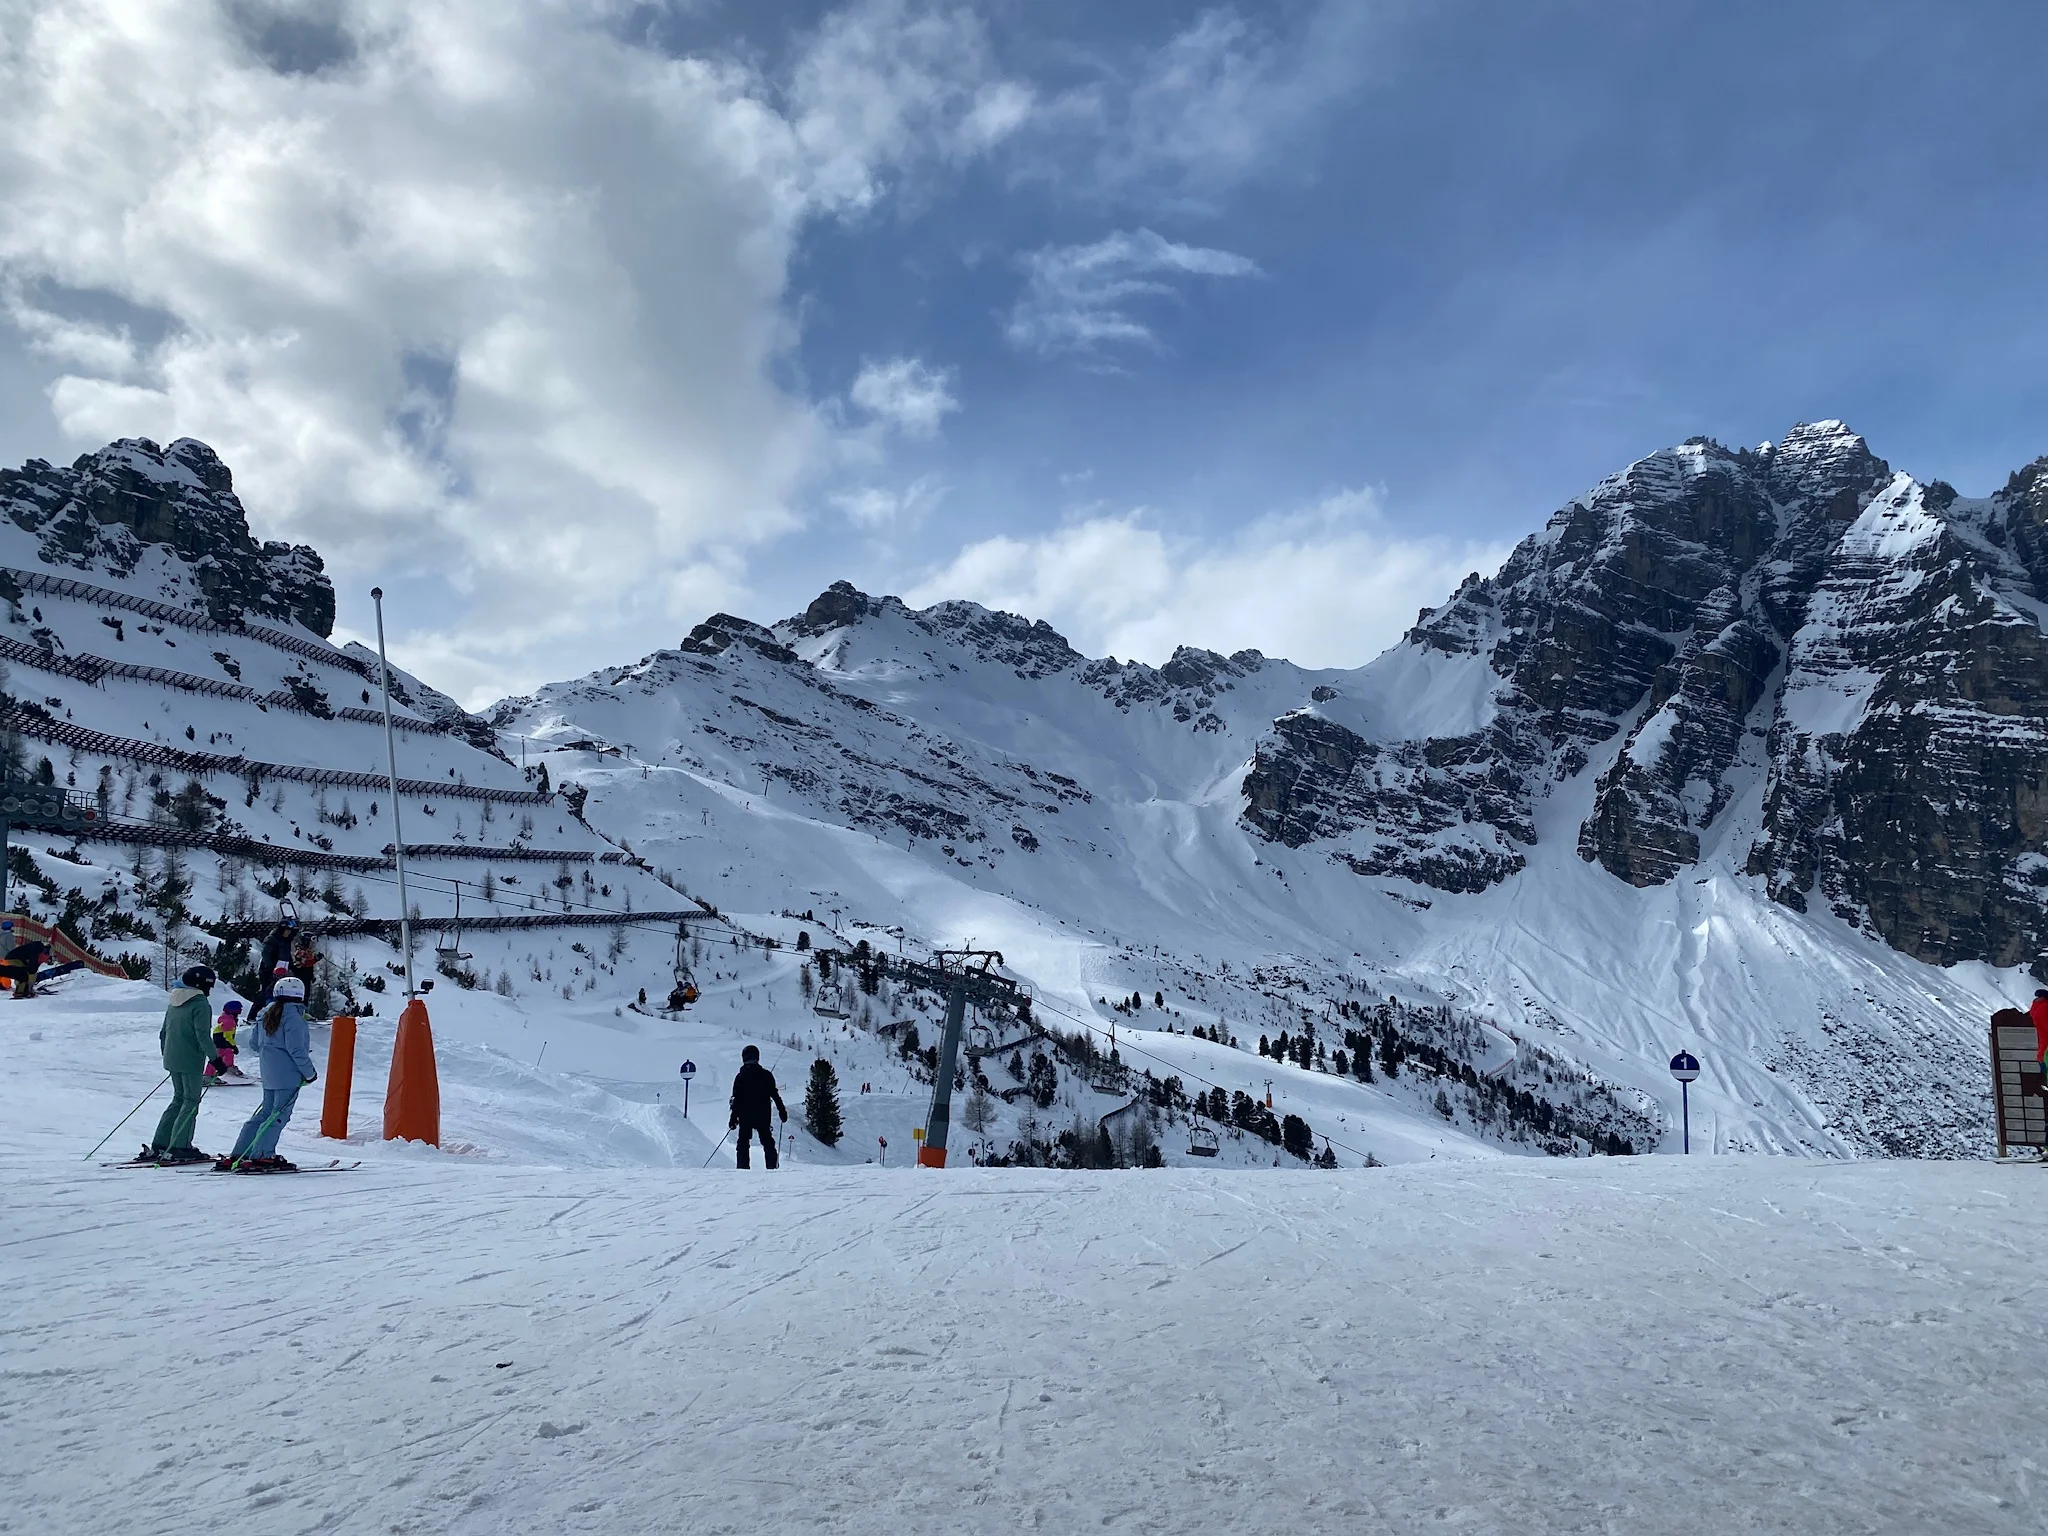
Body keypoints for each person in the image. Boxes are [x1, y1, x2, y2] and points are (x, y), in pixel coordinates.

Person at [220, 977, 317, 1172]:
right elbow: (297, 1050)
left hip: (269, 1073)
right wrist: (309, 1073)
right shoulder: (294, 1019)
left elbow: (255, 1044)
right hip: (288, 1074)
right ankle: (263, 1154)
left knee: (266, 1112)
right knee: (278, 1115)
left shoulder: (265, 1015)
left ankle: (242, 1152)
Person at [144, 965, 217, 1164]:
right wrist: (215, 1059)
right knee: (191, 1100)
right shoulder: (200, 1004)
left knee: (178, 1098)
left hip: (172, 1057)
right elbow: (202, 1035)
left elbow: (163, 1033)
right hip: (191, 1059)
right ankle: (180, 1145)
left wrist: (167, 1055)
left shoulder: (174, 1000)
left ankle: (161, 1142)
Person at [728, 1044, 787, 1169]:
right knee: (767, 1141)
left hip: (745, 1115)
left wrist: (733, 1118)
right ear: (757, 1057)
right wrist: (782, 1111)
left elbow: (736, 1100)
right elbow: (775, 1095)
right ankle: (772, 1168)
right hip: (763, 1114)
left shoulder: (740, 1077)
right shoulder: (766, 1075)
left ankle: (743, 1169)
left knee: (743, 1143)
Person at [254, 915, 298, 1006]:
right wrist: (269, 966)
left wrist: (292, 966)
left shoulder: (286, 940)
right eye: (287, 930)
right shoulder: (273, 938)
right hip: (268, 970)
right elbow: (265, 952)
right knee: (266, 992)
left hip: (281, 970)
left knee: (278, 993)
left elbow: (287, 954)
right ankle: (253, 1015)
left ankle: (272, 1013)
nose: (289, 933)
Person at [206, 998, 246, 1081]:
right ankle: (208, 1075)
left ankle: (228, 1067)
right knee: (219, 1056)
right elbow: (227, 1036)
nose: (240, 1012)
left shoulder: (228, 1018)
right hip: (222, 1039)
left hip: (220, 1038)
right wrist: (233, 1045)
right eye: (239, 1010)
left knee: (228, 1053)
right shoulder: (229, 1021)